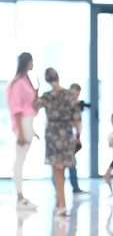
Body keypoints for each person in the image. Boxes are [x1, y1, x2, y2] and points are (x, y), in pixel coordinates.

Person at [33, 68, 81, 216]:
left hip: (53, 133)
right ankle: (59, 203)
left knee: (57, 170)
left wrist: (37, 89)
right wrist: (78, 135)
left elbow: (34, 105)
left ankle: (63, 204)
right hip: (67, 132)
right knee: (63, 169)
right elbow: (76, 118)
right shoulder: (69, 95)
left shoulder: (47, 96)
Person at [7, 52, 39, 210]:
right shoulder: (17, 83)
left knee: (21, 162)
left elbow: (31, 105)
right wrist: (20, 132)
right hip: (23, 125)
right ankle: (20, 198)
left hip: (28, 125)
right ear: (27, 62)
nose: (33, 64)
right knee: (18, 163)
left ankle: (21, 197)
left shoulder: (26, 81)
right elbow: (17, 109)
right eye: (32, 61)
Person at [67, 83, 89, 195]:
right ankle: (74, 188)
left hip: (73, 137)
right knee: (68, 163)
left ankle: (75, 187)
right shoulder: (67, 105)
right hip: (67, 137)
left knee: (71, 162)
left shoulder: (76, 105)